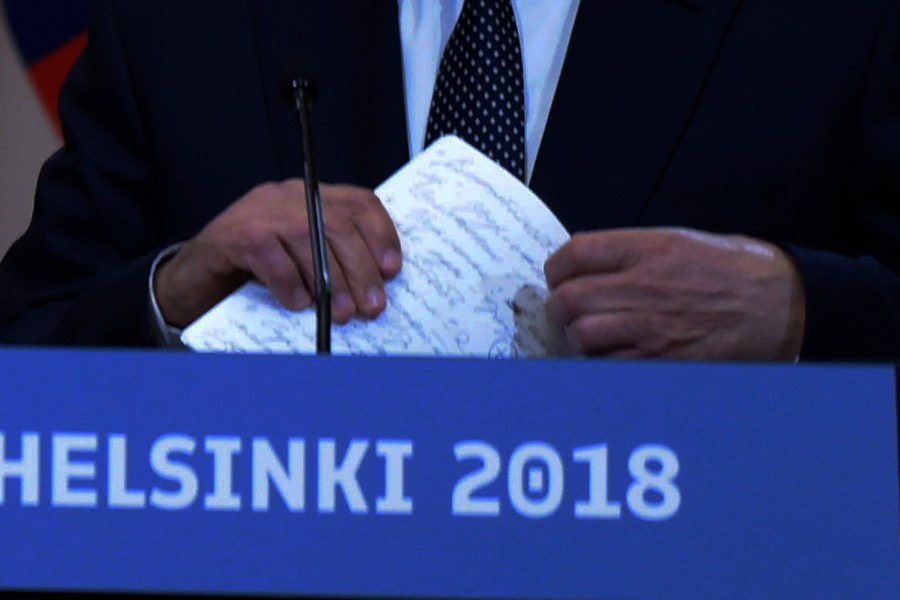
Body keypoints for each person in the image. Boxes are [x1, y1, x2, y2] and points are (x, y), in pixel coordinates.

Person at [0, 0, 897, 362]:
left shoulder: (843, 20)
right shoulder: (178, 22)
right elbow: (27, 342)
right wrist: (173, 292)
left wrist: (803, 311)